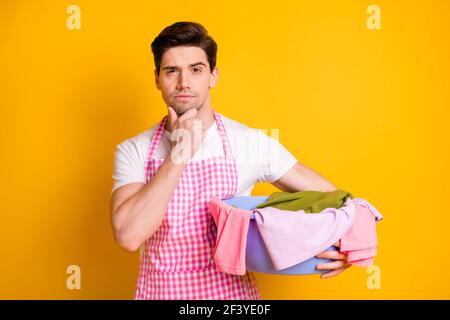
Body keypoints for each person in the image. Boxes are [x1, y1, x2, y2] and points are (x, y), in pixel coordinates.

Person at [109, 21, 351, 300]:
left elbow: (336, 200)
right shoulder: (134, 150)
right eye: (172, 71)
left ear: (213, 76)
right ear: (157, 79)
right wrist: (179, 155)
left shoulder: (248, 142)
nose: (183, 82)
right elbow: (128, 236)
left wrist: (344, 245)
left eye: (196, 70)